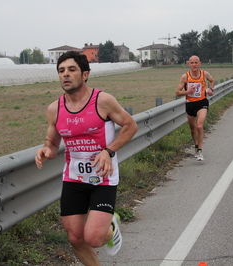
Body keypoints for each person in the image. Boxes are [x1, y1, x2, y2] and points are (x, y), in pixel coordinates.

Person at [35, 51, 138, 266]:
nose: (66, 74)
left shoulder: (102, 100)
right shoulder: (55, 109)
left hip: (103, 177)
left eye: (72, 70)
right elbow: (53, 145)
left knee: (93, 238)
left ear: (85, 75)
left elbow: (130, 125)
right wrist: (45, 150)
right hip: (73, 179)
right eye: (61, 71)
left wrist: (108, 151)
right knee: (75, 238)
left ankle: (111, 226)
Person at [176, 55, 215, 161]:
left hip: (202, 102)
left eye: (196, 63)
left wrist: (211, 89)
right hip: (190, 104)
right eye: (192, 63)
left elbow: (212, 80)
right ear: (189, 64)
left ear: (200, 63)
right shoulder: (185, 77)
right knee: (193, 129)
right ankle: (196, 146)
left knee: (199, 126)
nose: (194, 65)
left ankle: (200, 151)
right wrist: (188, 92)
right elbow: (177, 92)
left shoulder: (204, 74)